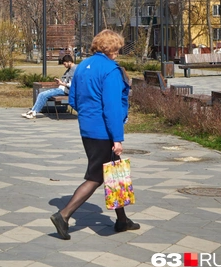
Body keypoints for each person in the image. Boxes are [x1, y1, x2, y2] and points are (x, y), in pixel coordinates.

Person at [49, 29, 138, 240]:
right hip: (104, 132)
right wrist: (117, 138)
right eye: (116, 47)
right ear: (111, 48)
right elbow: (112, 107)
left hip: (88, 128)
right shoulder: (110, 70)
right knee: (97, 176)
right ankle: (63, 215)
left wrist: (88, 116)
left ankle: (122, 220)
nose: (117, 51)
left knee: (113, 172)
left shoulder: (82, 68)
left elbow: (73, 99)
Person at [22, 55, 77, 119]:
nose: (64, 66)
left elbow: (72, 84)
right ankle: (32, 111)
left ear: (69, 62)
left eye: (65, 64)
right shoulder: (70, 69)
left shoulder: (74, 70)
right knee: (41, 94)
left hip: (65, 91)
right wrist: (60, 82)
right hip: (61, 89)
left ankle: (34, 113)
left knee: (43, 95)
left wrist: (62, 83)